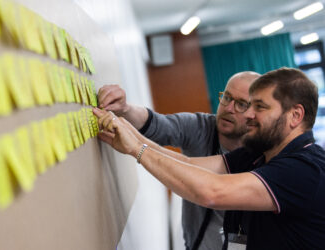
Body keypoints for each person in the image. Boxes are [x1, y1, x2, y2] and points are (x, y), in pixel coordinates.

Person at [94, 67, 325, 249]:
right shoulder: (259, 153)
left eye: (259, 107)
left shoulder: (305, 169)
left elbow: (212, 192)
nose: (250, 115)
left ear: (295, 115)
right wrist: (129, 134)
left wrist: (136, 148)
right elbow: (189, 164)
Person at [98, 71, 260, 250]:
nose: (229, 108)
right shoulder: (201, 127)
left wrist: (137, 147)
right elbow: (158, 125)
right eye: (227, 97)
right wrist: (125, 109)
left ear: (256, 114)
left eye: (241, 104)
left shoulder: (262, 158)